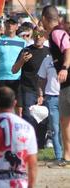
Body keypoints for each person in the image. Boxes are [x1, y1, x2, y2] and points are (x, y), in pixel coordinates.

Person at [12, 26, 50, 149]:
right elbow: (14, 70)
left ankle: (40, 144)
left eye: (40, 35)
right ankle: (28, 143)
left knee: (43, 117)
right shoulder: (26, 50)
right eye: (36, 35)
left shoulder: (49, 51)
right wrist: (22, 61)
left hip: (44, 89)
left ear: (44, 37)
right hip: (28, 88)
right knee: (28, 116)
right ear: (33, 36)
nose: (38, 38)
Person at [41, 5, 70, 167]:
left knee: (66, 121)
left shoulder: (58, 33)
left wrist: (65, 67)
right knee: (65, 122)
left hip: (68, 81)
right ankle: (66, 157)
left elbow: (68, 49)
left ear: (45, 18)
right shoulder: (54, 33)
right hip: (65, 86)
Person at [0, 16, 26, 114]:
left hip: (17, 78)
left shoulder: (23, 42)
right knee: (1, 106)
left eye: (13, 23)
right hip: (2, 78)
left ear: (17, 27)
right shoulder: (0, 39)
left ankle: (17, 128)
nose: (10, 25)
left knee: (19, 107)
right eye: (8, 23)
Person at [38, 55, 63, 166]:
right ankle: (59, 156)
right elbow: (41, 79)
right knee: (55, 128)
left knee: (66, 128)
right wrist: (40, 95)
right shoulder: (47, 59)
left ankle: (67, 155)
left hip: (66, 96)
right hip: (51, 98)